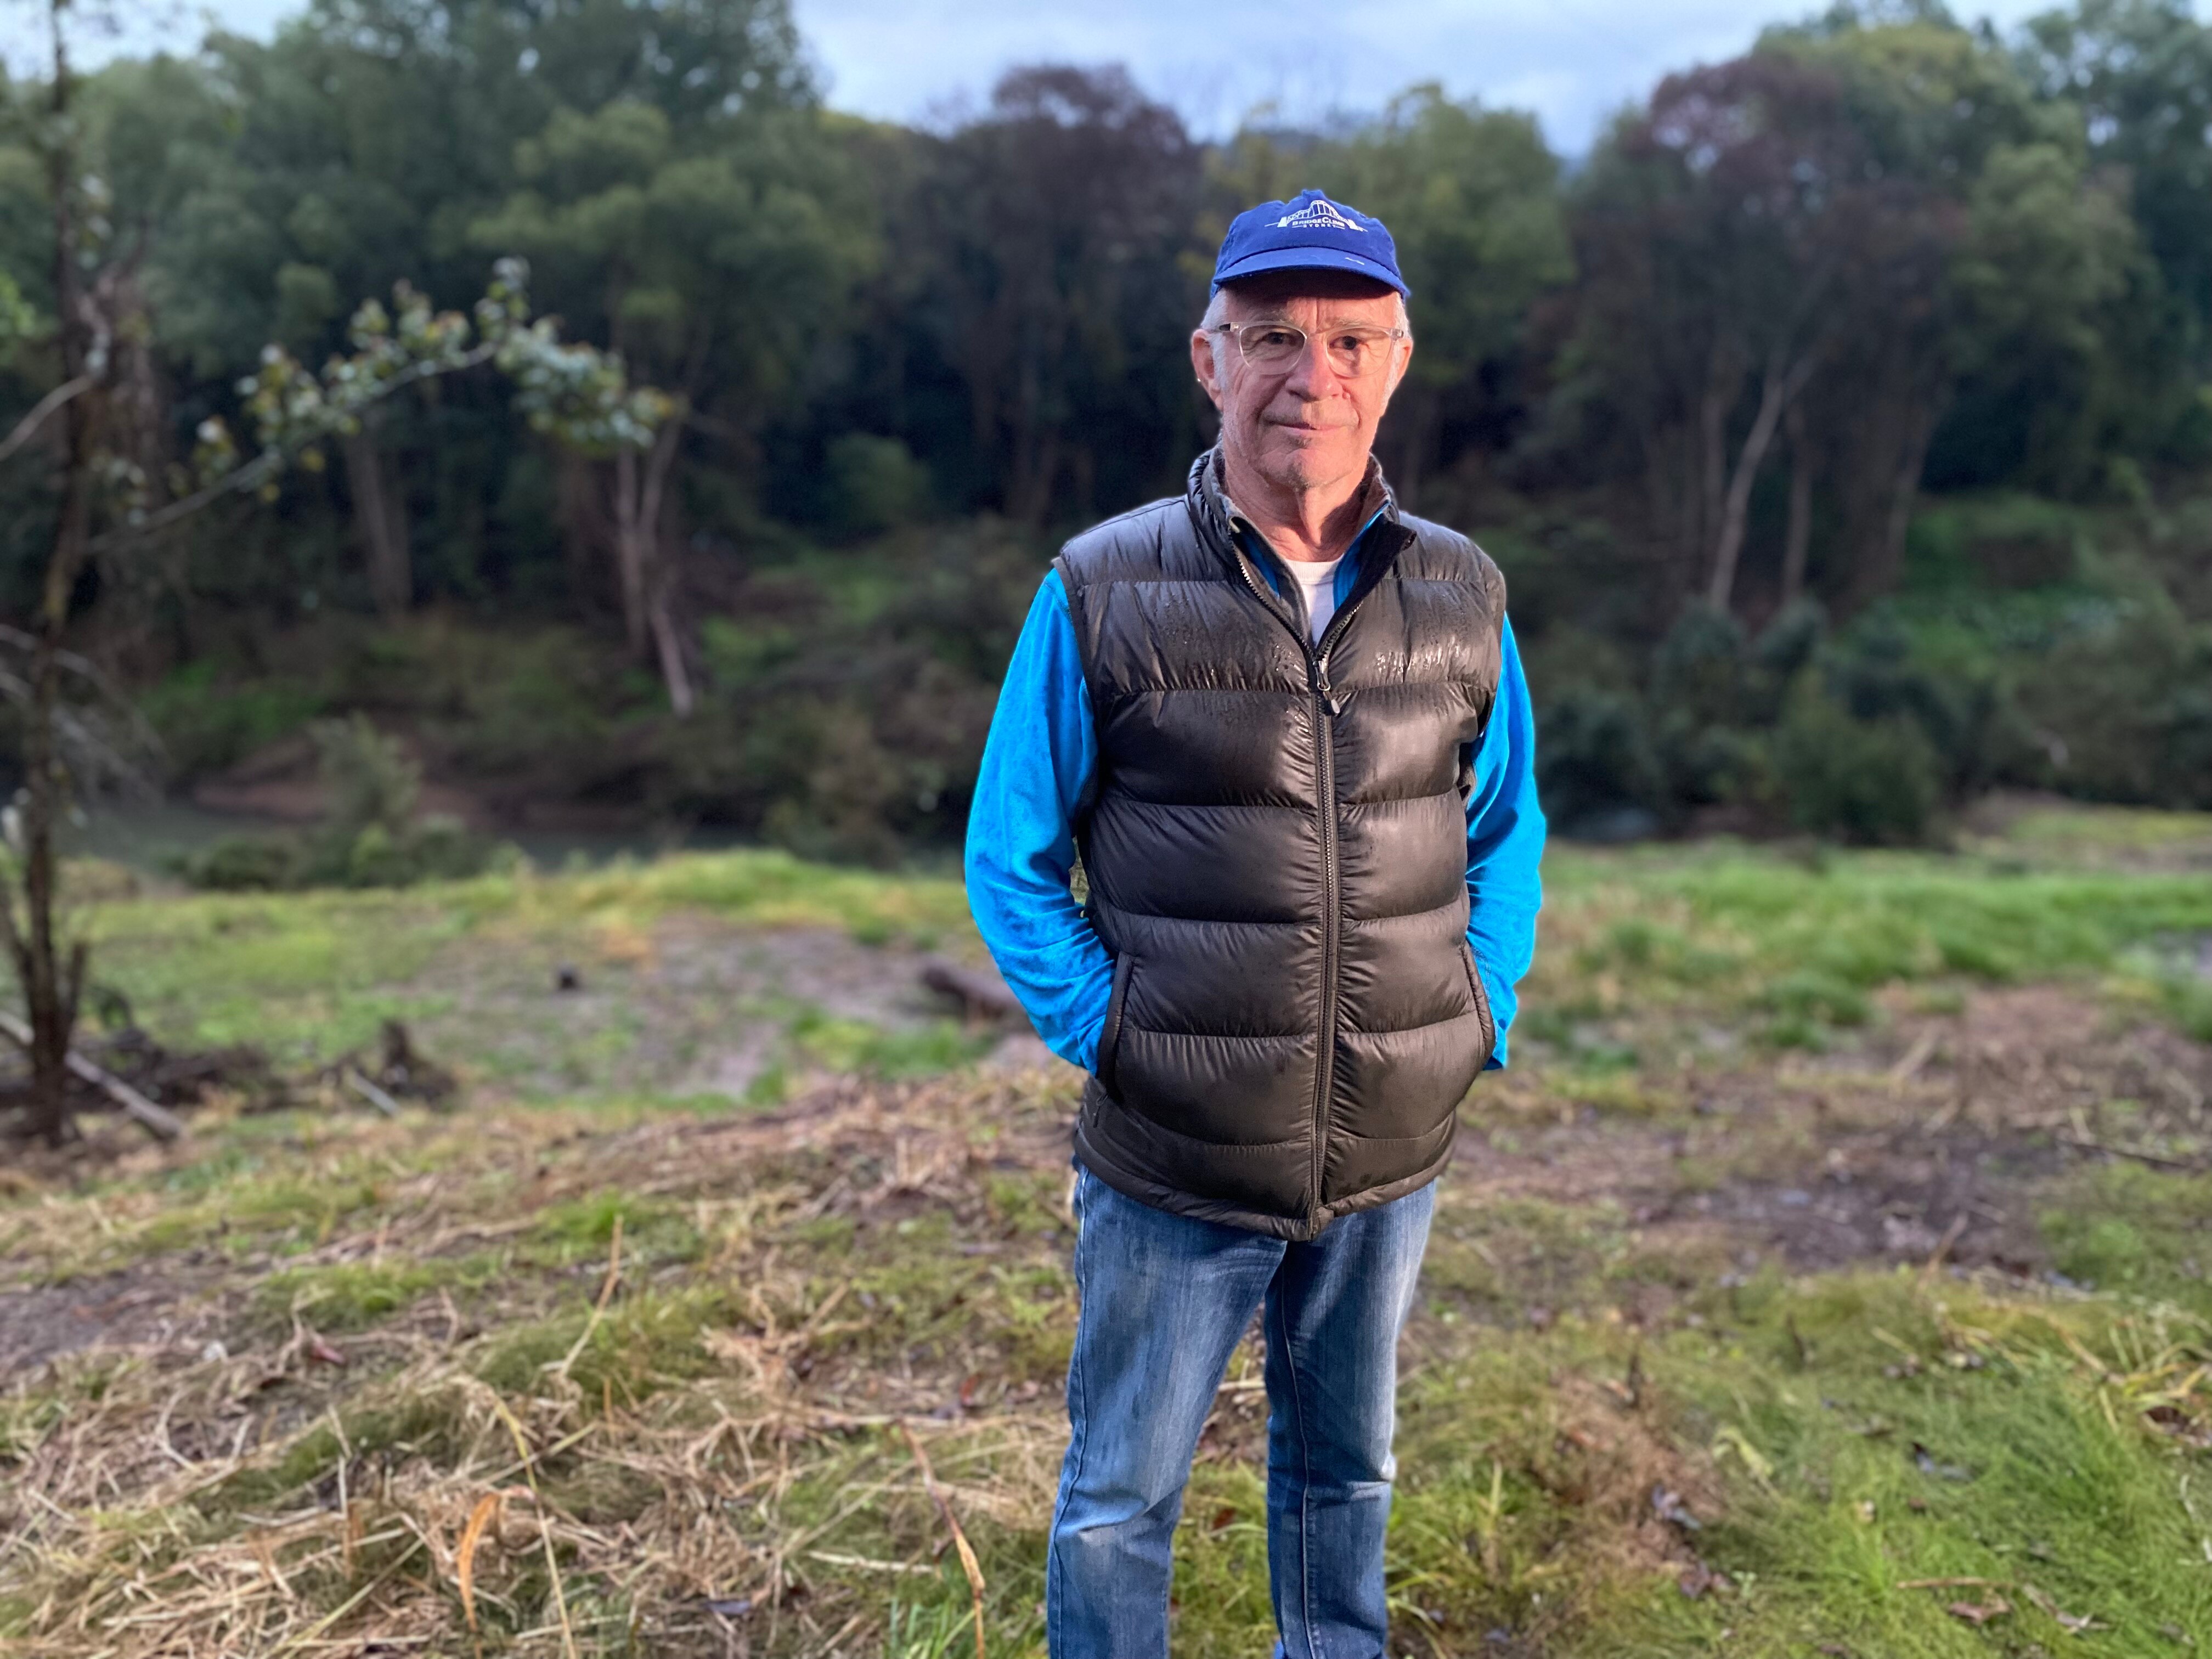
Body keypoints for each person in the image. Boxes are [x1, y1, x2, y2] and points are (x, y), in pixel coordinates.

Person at [964, 189, 1545, 1659]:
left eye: (1350, 338)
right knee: (1120, 1496)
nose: (1314, 371)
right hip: (1175, 1149)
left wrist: (1481, 1007)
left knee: (1346, 1475)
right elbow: (1009, 852)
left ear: (1397, 359)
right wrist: (1116, 1032)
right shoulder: (1101, 586)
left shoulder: (1464, 591)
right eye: (1272, 337)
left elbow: (1506, 829)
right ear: (1209, 360)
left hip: (1388, 1147)